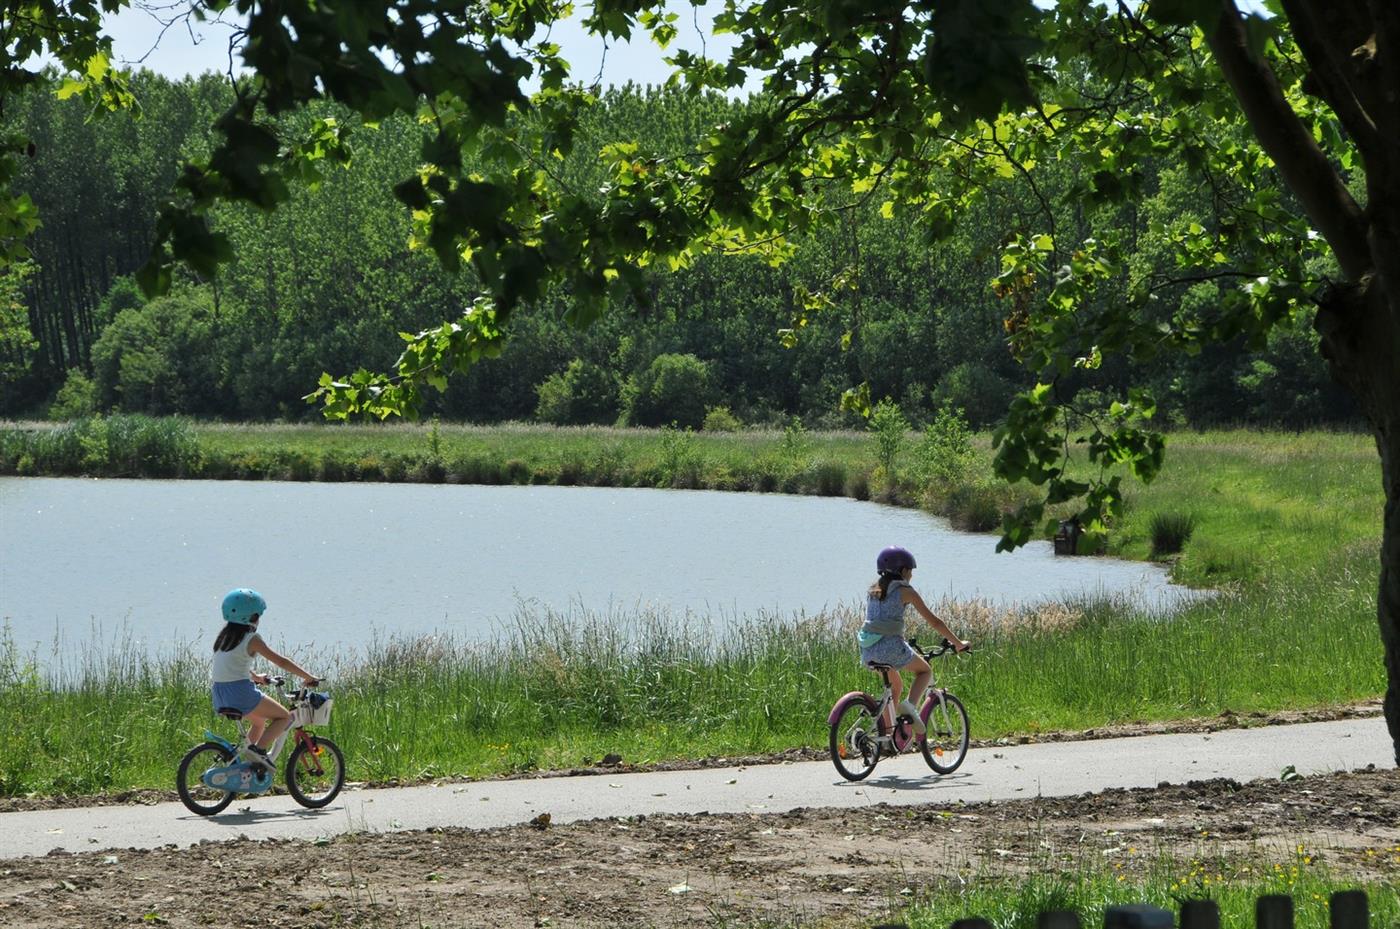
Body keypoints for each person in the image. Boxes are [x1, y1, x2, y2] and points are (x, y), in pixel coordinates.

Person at [858, 546, 968, 736]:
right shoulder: (905, 591)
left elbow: (881, 621)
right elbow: (935, 622)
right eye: (910, 570)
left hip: (868, 650)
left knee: (896, 687)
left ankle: (887, 736)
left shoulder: (874, 591)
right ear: (902, 570)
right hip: (890, 648)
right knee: (925, 671)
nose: (911, 575)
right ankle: (910, 706)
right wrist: (958, 643)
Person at [210, 588, 320, 770]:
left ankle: (243, 767)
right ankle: (259, 751)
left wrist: (256, 677)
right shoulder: (252, 639)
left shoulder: (224, 638)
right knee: (285, 717)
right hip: (240, 693)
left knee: (259, 722)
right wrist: (308, 676)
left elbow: (233, 665)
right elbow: (281, 661)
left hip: (220, 694)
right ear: (252, 617)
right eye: (258, 615)